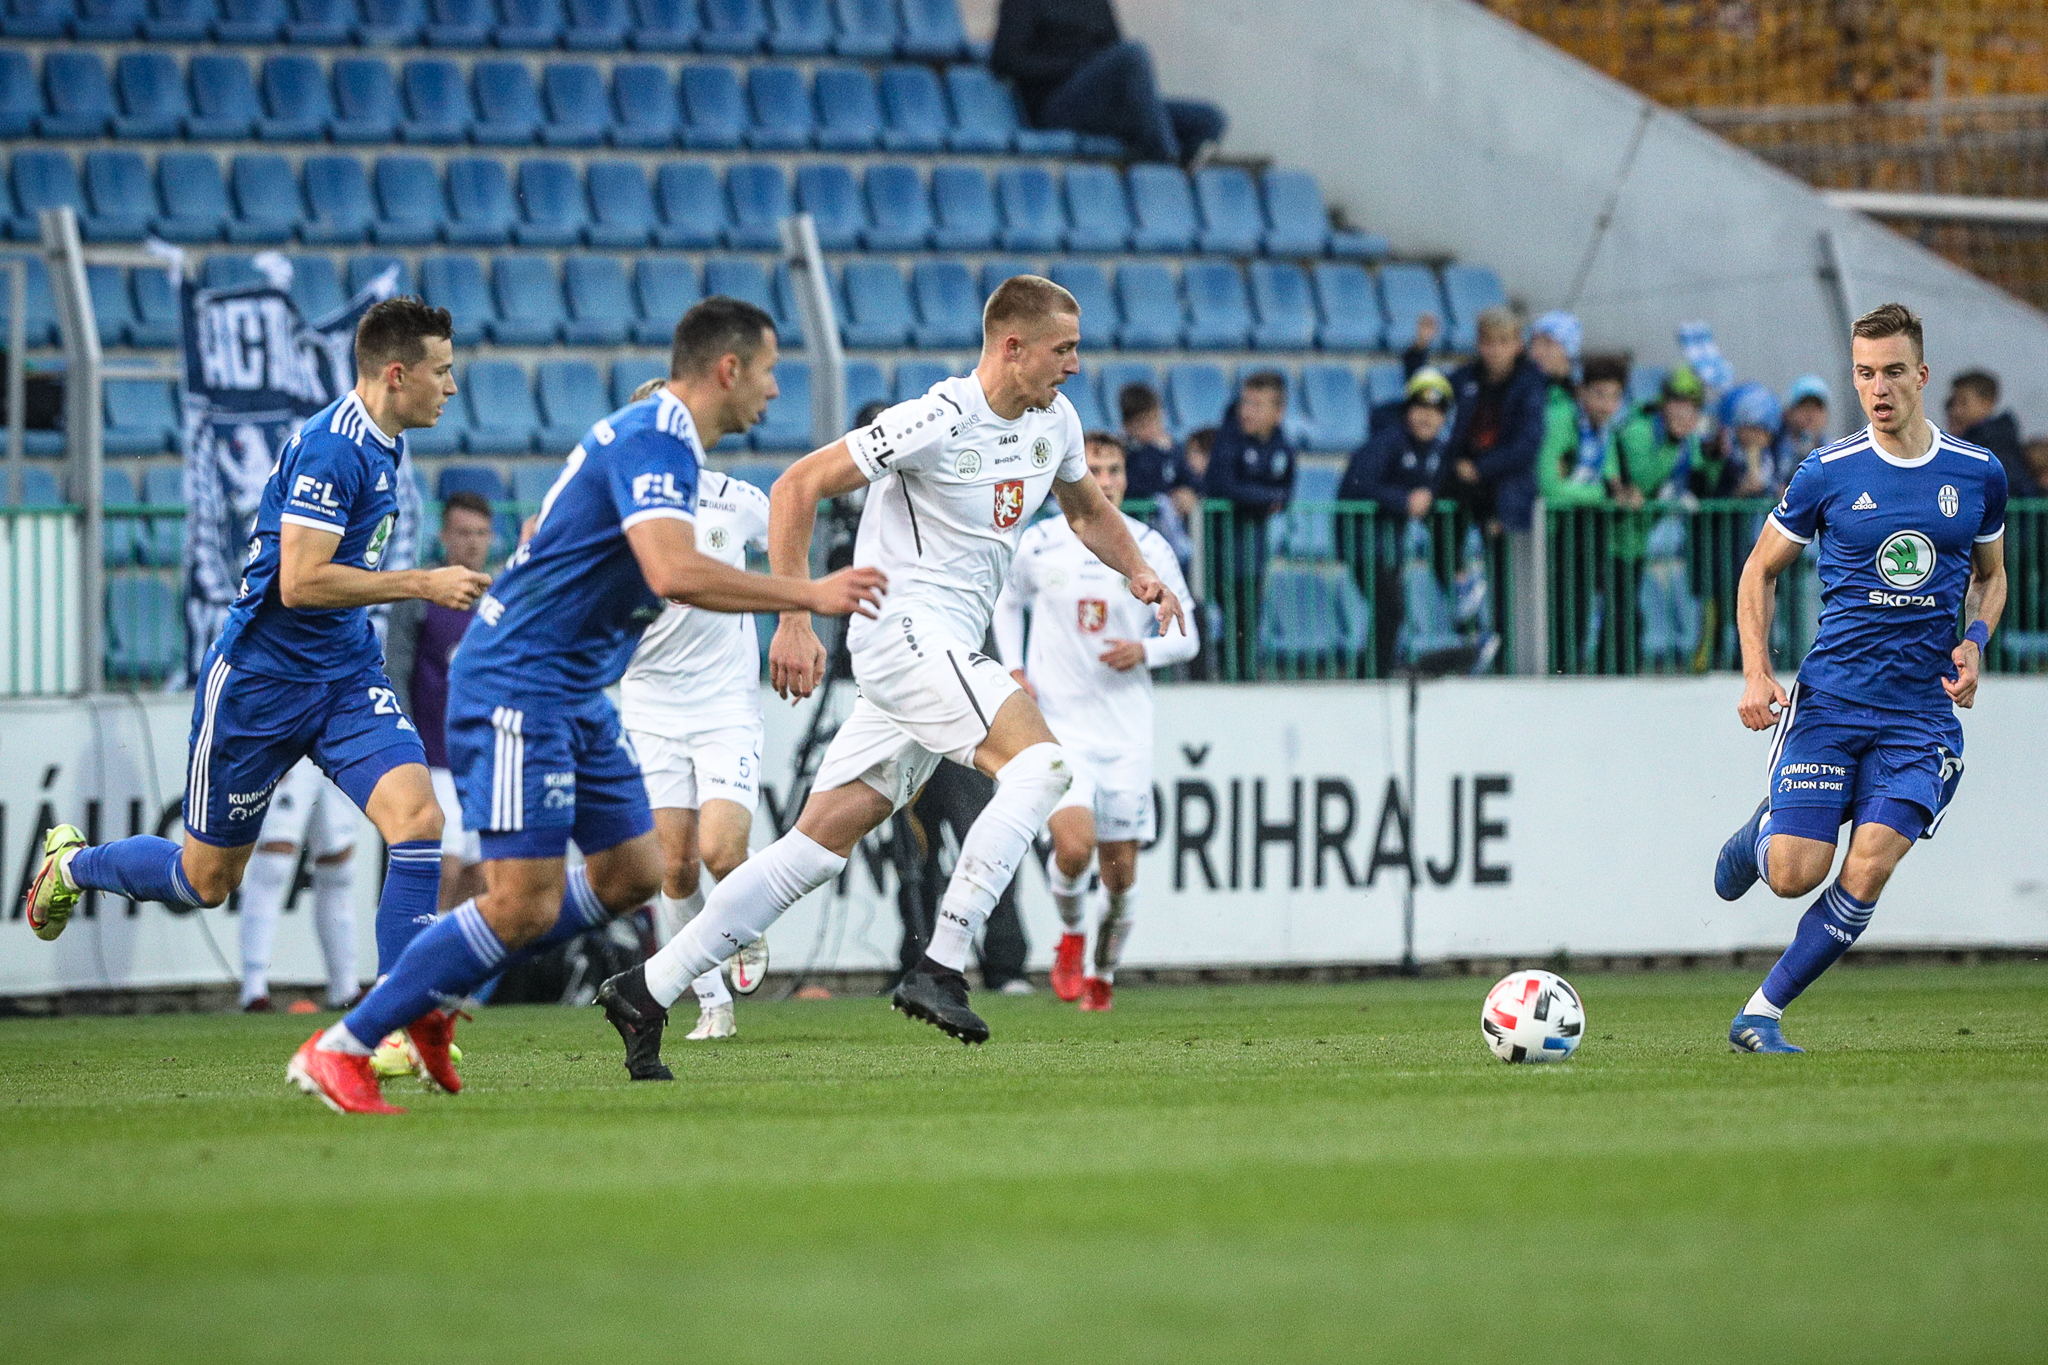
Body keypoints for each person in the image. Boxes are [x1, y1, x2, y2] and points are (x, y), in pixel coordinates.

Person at [276, 297, 886, 1113]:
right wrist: (805, 596)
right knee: (518, 903)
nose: (776, 390)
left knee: (634, 873)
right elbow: (672, 572)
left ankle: (433, 993)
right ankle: (346, 1042)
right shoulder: (653, 438)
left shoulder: (669, 446)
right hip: (520, 680)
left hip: (575, 687)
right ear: (729, 368)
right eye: (770, 371)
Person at [596, 275, 1185, 1078]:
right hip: (904, 633)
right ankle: (942, 961)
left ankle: (647, 987)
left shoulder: (1057, 422)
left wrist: (1140, 571)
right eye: (1064, 349)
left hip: (937, 650)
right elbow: (798, 485)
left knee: (813, 850)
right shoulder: (936, 417)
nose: (1076, 366)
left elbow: (1086, 512)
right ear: (1013, 347)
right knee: (1044, 765)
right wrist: (796, 618)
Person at [26, 299, 490, 1056]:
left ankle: (400, 1026)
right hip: (259, 685)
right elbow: (299, 583)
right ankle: (73, 864)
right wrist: (420, 582)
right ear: (396, 375)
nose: (453, 386)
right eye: (441, 371)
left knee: (418, 820)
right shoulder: (334, 448)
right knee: (206, 880)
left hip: (343, 677)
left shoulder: (387, 441)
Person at [1712, 303, 2006, 1053]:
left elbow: (1992, 575)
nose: (1879, 388)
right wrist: (1756, 671)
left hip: (1919, 715)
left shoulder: (1977, 473)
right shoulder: (1828, 471)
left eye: (1893, 372)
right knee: (1794, 874)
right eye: (1865, 373)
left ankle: (1760, 1014)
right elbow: (1758, 569)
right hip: (1831, 701)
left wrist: (1975, 640)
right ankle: (1763, 834)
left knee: (1869, 864)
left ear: (1922, 375)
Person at [994, 431, 1197, 1011]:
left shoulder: (1147, 547)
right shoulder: (1039, 543)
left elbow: (1188, 636)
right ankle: (1071, 934)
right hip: (1059, 725)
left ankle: (1103, 971)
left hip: (1124, 732)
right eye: (1094, 470)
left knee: (1121, 874)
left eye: (1114, 471)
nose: (1105, 482)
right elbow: (1006, 601)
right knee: (1073, 846)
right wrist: (1013, 667)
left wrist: (1145, 650)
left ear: (1126, 479)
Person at [617, 374, 775, 1043]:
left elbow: (788, 543)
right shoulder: (613, 509)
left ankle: (749, 918)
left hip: (723, 703)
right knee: (674, 867)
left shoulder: (735, 500)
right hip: (649, 705)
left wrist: (798, 620)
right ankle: (712, 1002)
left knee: (722, 851)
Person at [384, 490, 494, 909]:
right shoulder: (422, 597)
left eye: (481, 533)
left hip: (484, 758)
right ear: (444, 535)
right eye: (464, 532)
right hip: (432, 756)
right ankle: (422, 947)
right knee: (442, 867)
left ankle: (452, 951)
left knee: (480, 875)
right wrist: (404, 745)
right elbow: (395, 670)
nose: (473, 542)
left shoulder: (501, 601)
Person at [990, 0, 1225, 167]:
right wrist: (1075, 65)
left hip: (1103, 105)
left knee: (1208, 120)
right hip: (1055, 105)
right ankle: (1165, 165)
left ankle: (1161, 176)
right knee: (1133, 53)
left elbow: (1115, 55)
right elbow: (1004, 60)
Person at [234, 760, 361, 1012]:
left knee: (339, 867)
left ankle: (345, 989)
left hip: (338, 750)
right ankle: (254, 989)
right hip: (295, 749)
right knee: (274, 861)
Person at [1202, 371, 1293, 676]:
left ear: (1278, 411)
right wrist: (1264, 498)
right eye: (1246, 403)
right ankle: (1230, 680)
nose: (1247, 411)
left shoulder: (1281, 446)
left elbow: (1286, 493)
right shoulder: (1229, 440)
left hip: (1252, 553)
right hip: (1220, 549)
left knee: (1248, 618)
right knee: (1231, 617)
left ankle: (1243, 678)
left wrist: (1257, 497)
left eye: (1257, 405)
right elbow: (1222, 486)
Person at [1442, 307, 1547, 532]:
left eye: (1503, 342)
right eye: (1488, 342)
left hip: (1507, 487)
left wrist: (1480, 468)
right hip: (1462, 481)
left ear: (1518, 345)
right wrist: (1418, 353)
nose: (1495, 350)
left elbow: (1527, 444)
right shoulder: (1464, 378)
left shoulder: (1531, 384)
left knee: (1504, 551)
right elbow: (1429, 397)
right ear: (1479, 344)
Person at [1944, 369, 2034, 497]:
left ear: (1986, 403)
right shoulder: (1981, 437)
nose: (1956, 410)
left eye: (1963, 402)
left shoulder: (1995, 441)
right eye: (1955, 402)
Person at [1781, 374, 1832, 463]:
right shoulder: (1775, 450)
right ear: (1790, 412)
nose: (1810, 415)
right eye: (1805, 407)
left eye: (1816, 409)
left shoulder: (1832, 451)